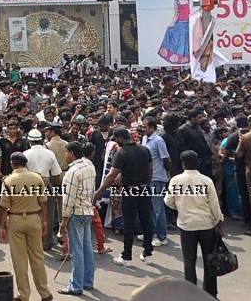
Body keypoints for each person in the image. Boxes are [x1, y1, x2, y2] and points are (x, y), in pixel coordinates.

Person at [164, 150, 223, 298]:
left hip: (186, 225)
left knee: (189, 260)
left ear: (183, 164)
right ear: (197, 163)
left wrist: (181, 207)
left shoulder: (176, 181)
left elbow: (168, 201)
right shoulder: (206, 181)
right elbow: (214, 205)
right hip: (206, 225)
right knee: (209, 259)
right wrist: (218, 221)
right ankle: (211, 292)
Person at [94, 127, 154, 267]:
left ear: (120, 138)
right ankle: (148, 253)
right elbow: (150, 169)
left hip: (129, 190)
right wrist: (146, 183)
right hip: (144, 189)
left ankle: (126, 256)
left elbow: (112, 175)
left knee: (129, 223)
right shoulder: (144, 149)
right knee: (146, 221)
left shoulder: (122, 154)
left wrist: (100, 191)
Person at [0, 152, 50, 301]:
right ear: (25, 163)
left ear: (12, 164)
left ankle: (23, 294)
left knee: (19, 260)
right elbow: (43, 202)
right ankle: (45, 293)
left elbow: (4, 207)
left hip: (15, 219)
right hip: (34, 217)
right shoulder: (37, 178)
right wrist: (44, 220)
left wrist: (2, 226)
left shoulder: (8, 181)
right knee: (38, 258)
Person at [59, 141, 96, 296]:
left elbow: (68, 199)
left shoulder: (72, 172)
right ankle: (87, 281)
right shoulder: (90, 166)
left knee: (77, 250)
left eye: (66, 152)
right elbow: (93, 189)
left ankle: (76, 286)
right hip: (87, 210)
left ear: (72, 153)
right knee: (87, 247)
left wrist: (64, 220)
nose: (65, 155)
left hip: (76, 213)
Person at [24, 127, 62, 251]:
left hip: (30, 185)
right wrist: (56, 190)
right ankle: (46, 242)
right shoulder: (49, 153)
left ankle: (33, 242)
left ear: (29, 141)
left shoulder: (26, 154)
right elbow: (56, 174)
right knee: (49, 214)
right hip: (46, 184)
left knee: (31, 213)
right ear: (41, 141)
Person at [142, 117, 171, 246]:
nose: (143, 129)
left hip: (157, 178)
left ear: (152, 128)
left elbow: (166, 159)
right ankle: (151, 232)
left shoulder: (158, 141)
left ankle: (161, 236)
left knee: (158, 208)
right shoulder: (144, 139)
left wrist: (166, 173)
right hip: (147, 178)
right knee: (149, 207)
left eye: (145, 127)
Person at [157, 0, 191, 65]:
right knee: (179, 42)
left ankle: (186, 57)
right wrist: (172, 23)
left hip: (188, 24)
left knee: (187, 42)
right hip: (180, 24)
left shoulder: (188, 1)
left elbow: (189, 12)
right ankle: (177, 58)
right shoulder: (176, 2)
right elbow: (176, 14)